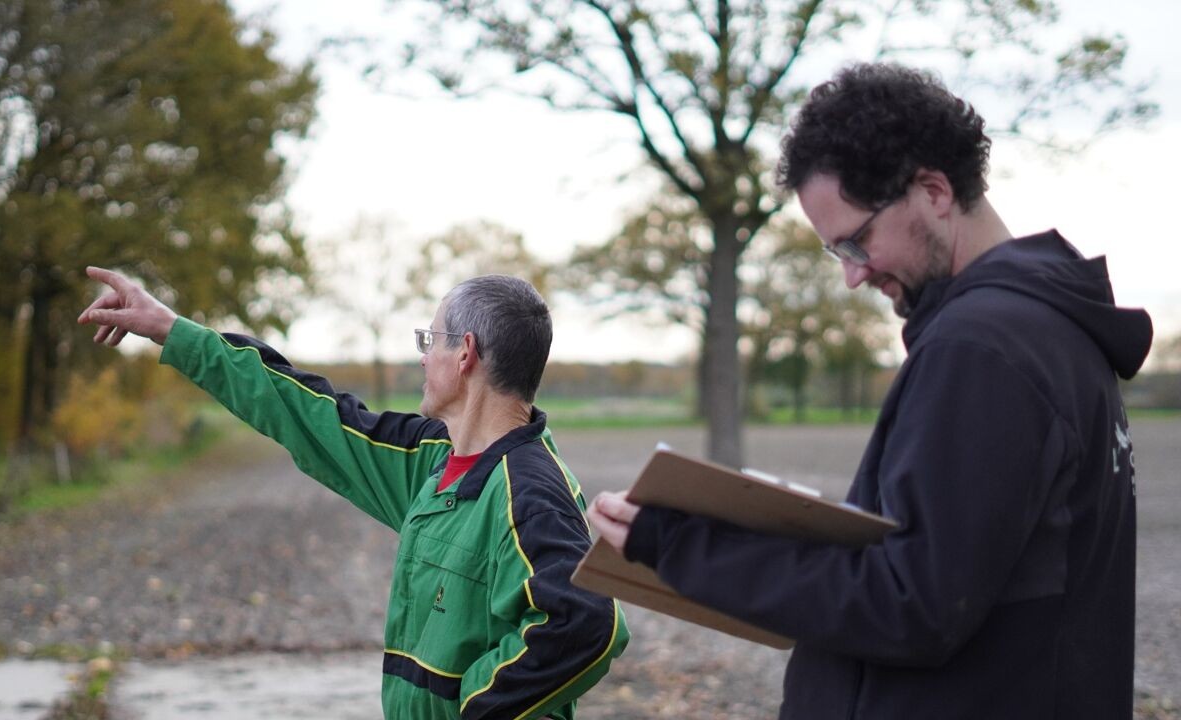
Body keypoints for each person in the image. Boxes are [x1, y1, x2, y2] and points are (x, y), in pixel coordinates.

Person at [588, 62, 1152, 719]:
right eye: (838, 254)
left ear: (933, 191)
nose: (854, 277)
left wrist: (685, 545)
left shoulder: (983, 348)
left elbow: (911, 605)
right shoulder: (1052, 332)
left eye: (857, 242)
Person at [79, 268, 628, 720]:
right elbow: (306, 412)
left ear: (465, 354)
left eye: (428, 340)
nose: (421, 356)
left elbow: (585, 622)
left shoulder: (529, 490)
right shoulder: (430, 461)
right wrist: (173, 330)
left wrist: (474, 709)